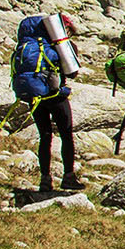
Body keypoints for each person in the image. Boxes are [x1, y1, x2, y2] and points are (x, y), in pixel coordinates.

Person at [14, 12, 82, 195]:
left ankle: (45, 179)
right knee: (66, 134)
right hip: (56, 95)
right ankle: (68, 177)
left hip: (36, 96)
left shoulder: (29, 46)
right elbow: (72, 73)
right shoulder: (60, 46)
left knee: (45, 136)